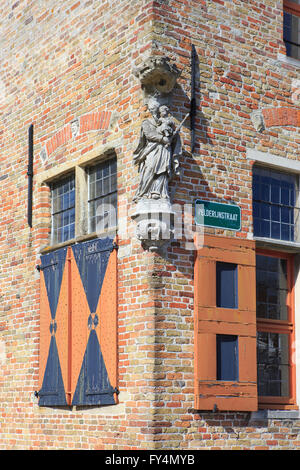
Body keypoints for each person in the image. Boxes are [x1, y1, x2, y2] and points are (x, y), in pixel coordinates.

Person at [133, 100, 182, 202]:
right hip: (152, 149)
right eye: (151, 109)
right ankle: (143, 192)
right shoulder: (146, 122)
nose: (153, 111)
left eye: (154, 109)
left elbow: (171, 134)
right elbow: (149, 134)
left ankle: (159, 192)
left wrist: (172, 136)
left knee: (163, 169)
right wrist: (162, 139)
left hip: (165, 149)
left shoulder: (166, 121)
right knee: (150, 167)